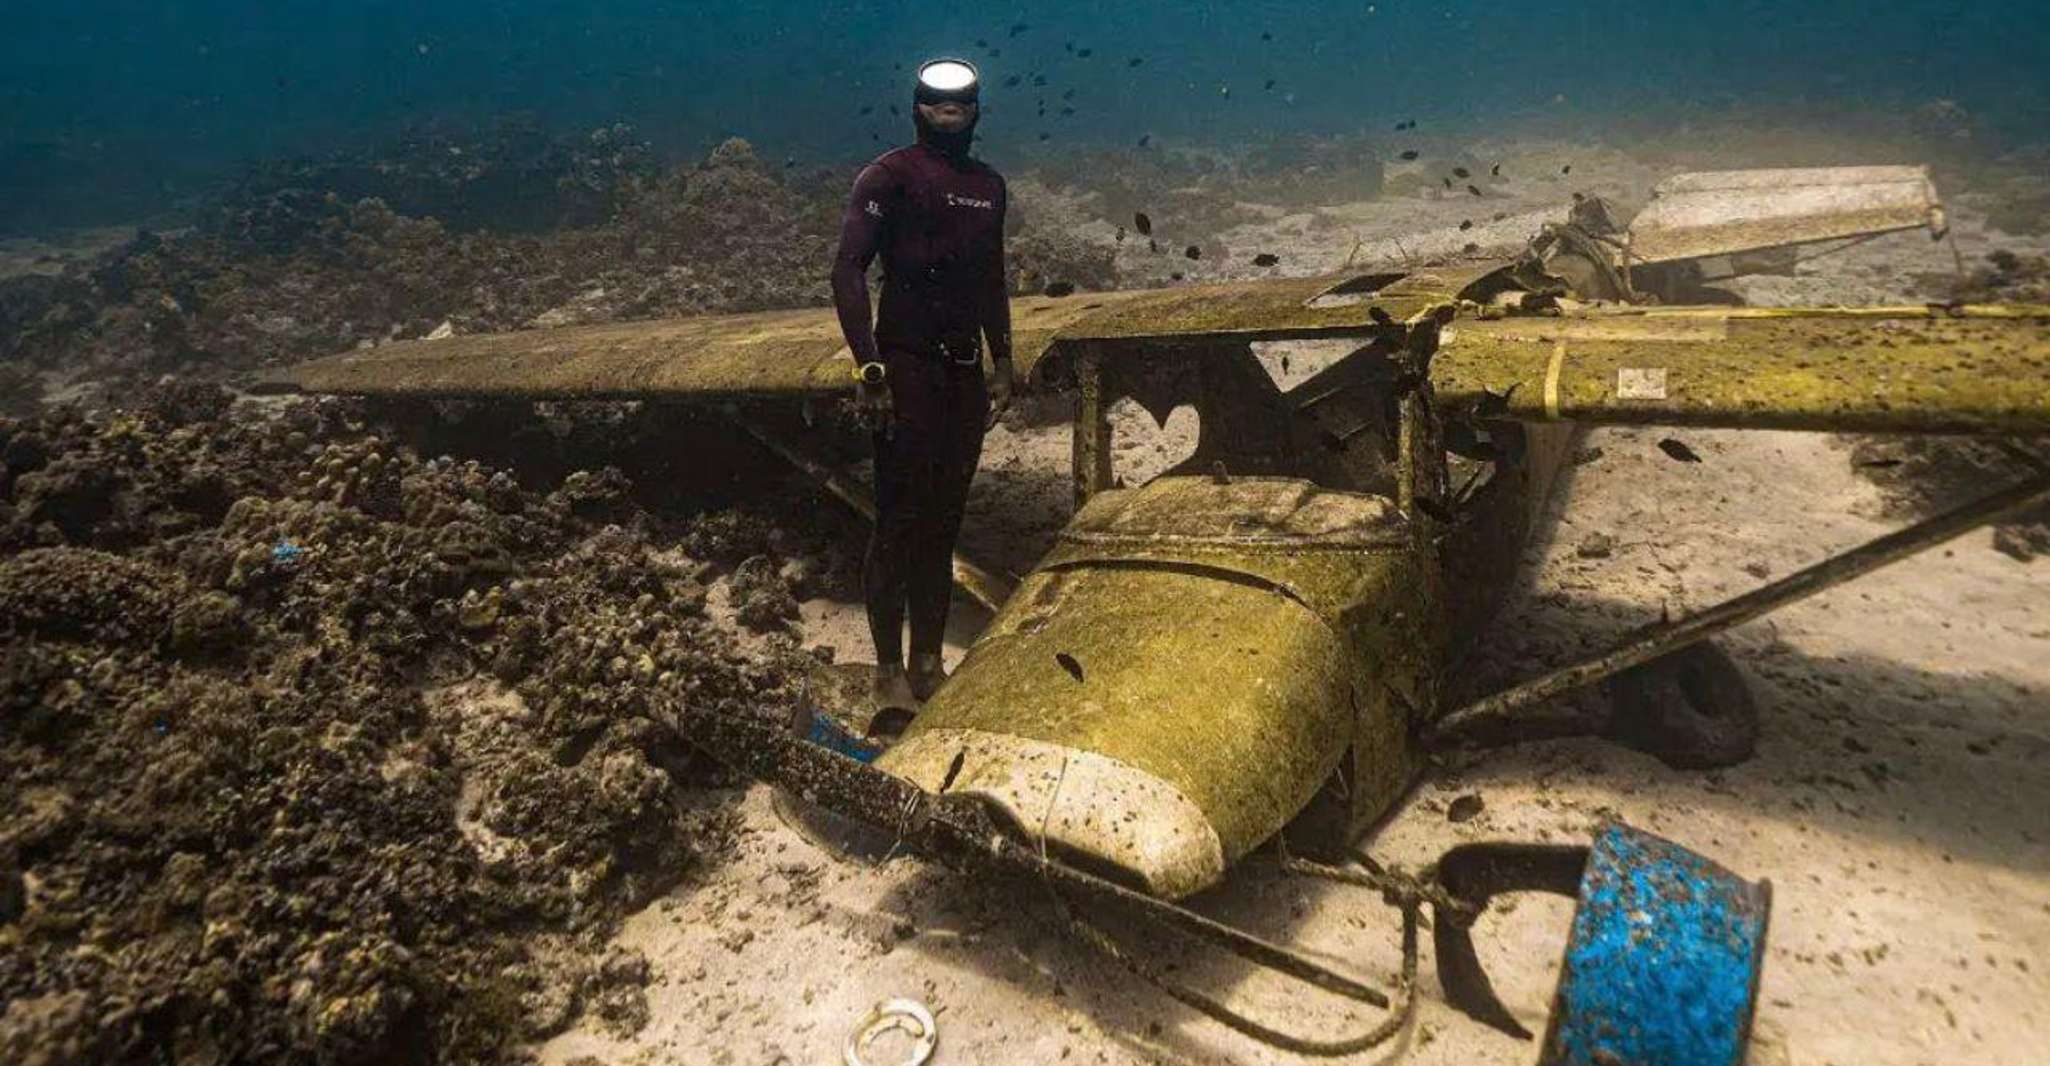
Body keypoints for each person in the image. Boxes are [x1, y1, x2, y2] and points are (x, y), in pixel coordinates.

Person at [830, 57, 1014, 712]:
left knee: (943, 525)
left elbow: (991, 278)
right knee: (898, 522)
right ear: (917, 108)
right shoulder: (888, 176)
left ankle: (928, 664)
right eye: (936, 101)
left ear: (977, 110)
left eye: (960, 101)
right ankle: (887, 672)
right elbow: (848, 270)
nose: (948, 110)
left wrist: (1003, 361)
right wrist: (869, 366)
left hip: (964, 376)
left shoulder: (989, 187)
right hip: (904, 369)